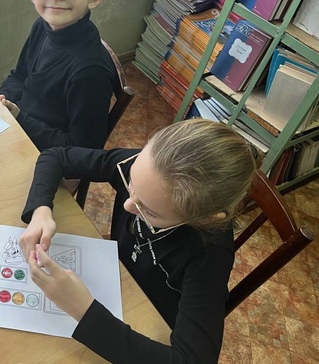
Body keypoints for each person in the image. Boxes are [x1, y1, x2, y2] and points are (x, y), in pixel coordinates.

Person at [19, 119, 259, 363]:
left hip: (144, 319)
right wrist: (41, 210)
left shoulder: (209, 255)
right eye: (131, 184)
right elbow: (56, 156)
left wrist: (81, 308)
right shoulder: (149, 168)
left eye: (150, 212)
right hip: (116, 274)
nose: (127, 204)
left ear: (204, 218)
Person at [0, 0, 117, 151]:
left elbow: (83, 150)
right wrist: (3, 99)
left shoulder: (90, 72)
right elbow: (19, 75)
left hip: (50, 155)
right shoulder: (41, 26)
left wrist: (19, 117)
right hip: (19, 127)